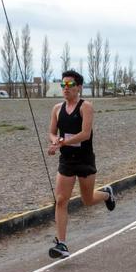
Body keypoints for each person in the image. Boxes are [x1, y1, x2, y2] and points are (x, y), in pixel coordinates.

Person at [46, 70, 115, 259]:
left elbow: (85, 134)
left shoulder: (86, 107)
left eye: (69, 85)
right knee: (61, 200)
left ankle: (107, 194)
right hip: (67, 160)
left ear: (78, 87)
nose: (65, 89)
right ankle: (62, 244)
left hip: (84, 159)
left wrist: (62, 142)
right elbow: (52, 132)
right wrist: (54, 142)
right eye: (63, 85)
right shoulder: (57, 109)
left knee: (87, 200)